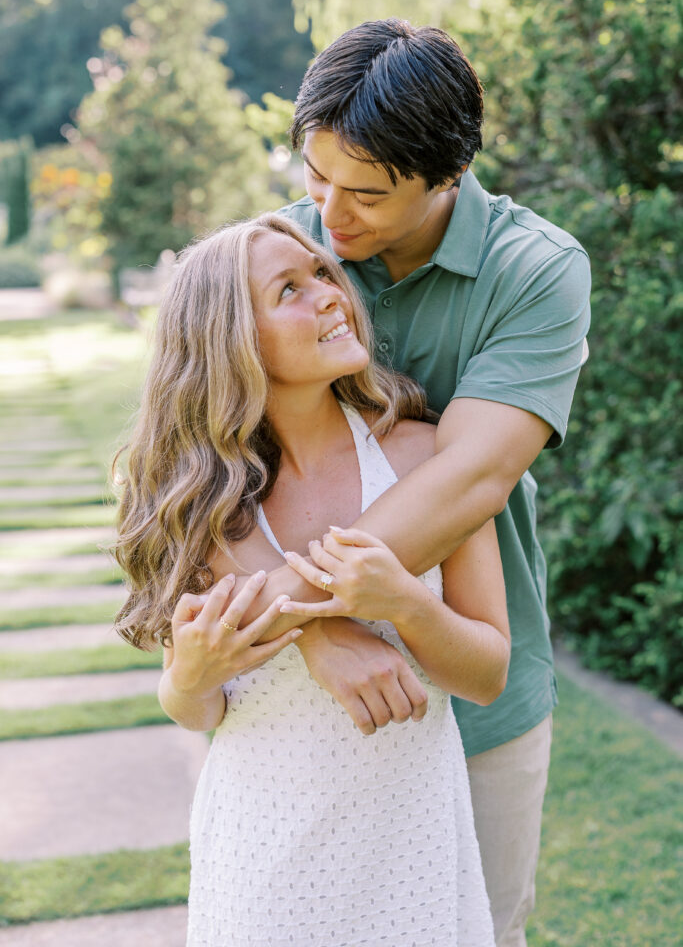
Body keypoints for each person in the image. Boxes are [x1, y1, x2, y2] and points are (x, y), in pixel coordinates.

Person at [230, 18, 591, 947]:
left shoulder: (534, 272)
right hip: (303, 708)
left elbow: (469, 477)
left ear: (447, 175)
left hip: (473, 688)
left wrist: (286, 610)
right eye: (315, 177)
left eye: (365, 194)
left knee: (478, 930)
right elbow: (194, 464)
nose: (328, 215)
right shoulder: (283, 255)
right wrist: (315, 635)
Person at [113, 212, 511, 946]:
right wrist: (194, 675)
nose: (330, 294)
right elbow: (192, 706)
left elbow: (487, 675)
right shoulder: (201, 506)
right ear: (232, 338)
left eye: (323, 274)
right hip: (262, 855)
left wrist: (406, 605)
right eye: (289, 290)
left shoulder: (426, 459)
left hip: (410, 842)